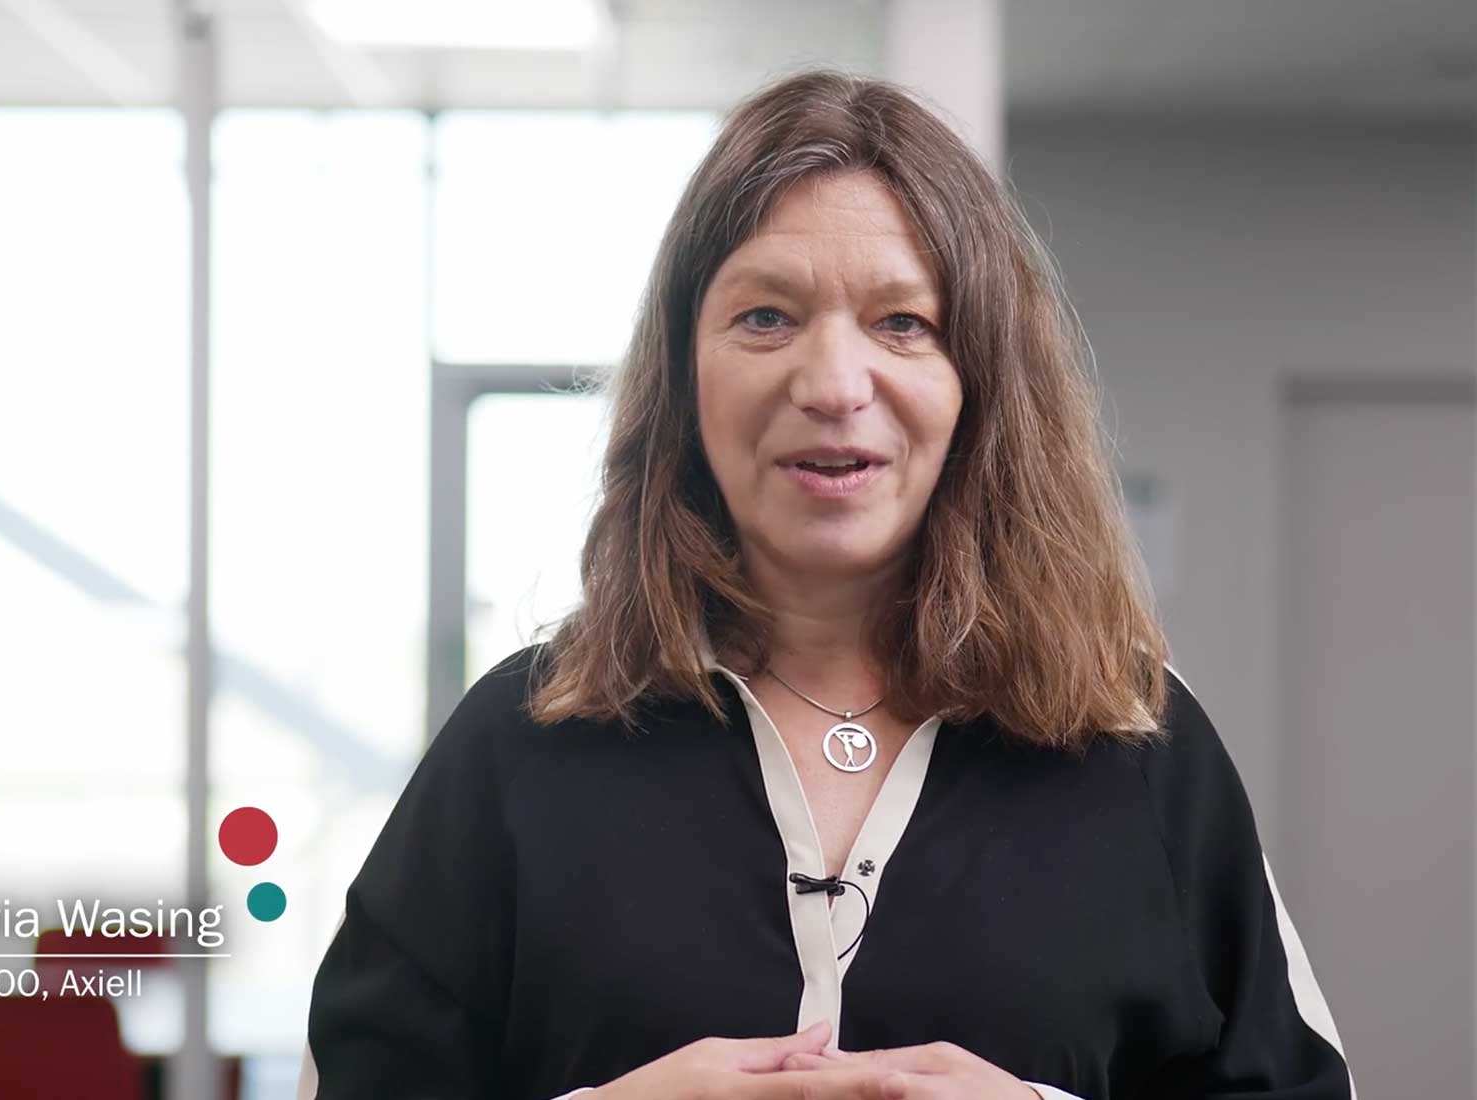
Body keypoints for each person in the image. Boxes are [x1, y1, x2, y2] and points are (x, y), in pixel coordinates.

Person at [298, 66, 1355, 1100]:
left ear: (980, 383)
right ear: (684, 373)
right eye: (766, 316)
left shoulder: (1140, 745)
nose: (835, 385)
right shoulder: (517, 745)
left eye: (903, 323)